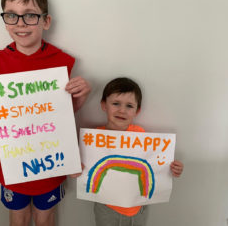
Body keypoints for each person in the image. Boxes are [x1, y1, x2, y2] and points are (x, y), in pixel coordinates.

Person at [0, 0, 91, 226]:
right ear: (5, 20)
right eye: (12, 15)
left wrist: (83, 95)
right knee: (18, 218)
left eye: (30, 15)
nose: (20, 23)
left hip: (51, 162)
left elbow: (64, 113)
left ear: (46, 21)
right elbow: (0, 112)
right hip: (14, 162)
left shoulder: (62, 61)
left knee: (46, 218)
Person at [74, 77, 183, 226]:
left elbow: (155, 167)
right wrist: (76, 170)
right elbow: (79, 171)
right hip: (106, 207)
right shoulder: (93, 139)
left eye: (129, 106)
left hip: (137, 208)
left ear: (137, 111)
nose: (122, 110)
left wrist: (172, 169)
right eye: (116, 103)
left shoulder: (142, 136)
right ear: (104, 105)